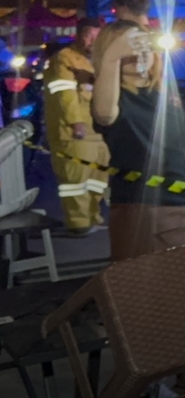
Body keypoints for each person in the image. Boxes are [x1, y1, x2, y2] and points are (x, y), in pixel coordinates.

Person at [91, 0, 185, 261]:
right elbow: (104, 115)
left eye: (142, 47)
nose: (138, 54)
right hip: (144, 210)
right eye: (128, 50)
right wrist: (111, 57)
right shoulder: (115, 98)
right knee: (150, 287)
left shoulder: (161, 93)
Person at [44, 17, 110, 236]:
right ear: (79, 35)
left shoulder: (95, 60)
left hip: (97, 131)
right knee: (75, 180)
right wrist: (76, 123)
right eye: (89, 36)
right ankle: (78, 224)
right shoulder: (64, 59)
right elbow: (65, 95)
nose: (93, 41)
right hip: (73, 132)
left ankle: (93, 218)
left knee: (97, 179)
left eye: (97, 37)